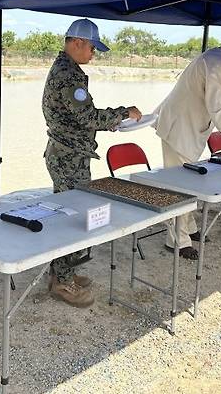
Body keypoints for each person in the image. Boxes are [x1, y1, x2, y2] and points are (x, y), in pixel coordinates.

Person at [42, 18, 142, 307]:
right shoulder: (69, 76)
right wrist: (123, 113)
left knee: (70, 214)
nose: (93, 54)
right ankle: (62, 281)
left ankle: (63, 271)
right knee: (71, 218)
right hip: (68, 158)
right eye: (92, 48)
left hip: (69, 154)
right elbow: (88, 117)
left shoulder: (67, 69)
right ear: (77, 43)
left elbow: (80, 117)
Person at [154, 34, 221, 260]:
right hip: (179, 129)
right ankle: (177, 241)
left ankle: (189, 228)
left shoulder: (216, 58)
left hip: (185, 127)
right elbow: (218, 109)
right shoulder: (218, 63)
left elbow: (214, 108)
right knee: (179, 188)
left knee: (188, 183)